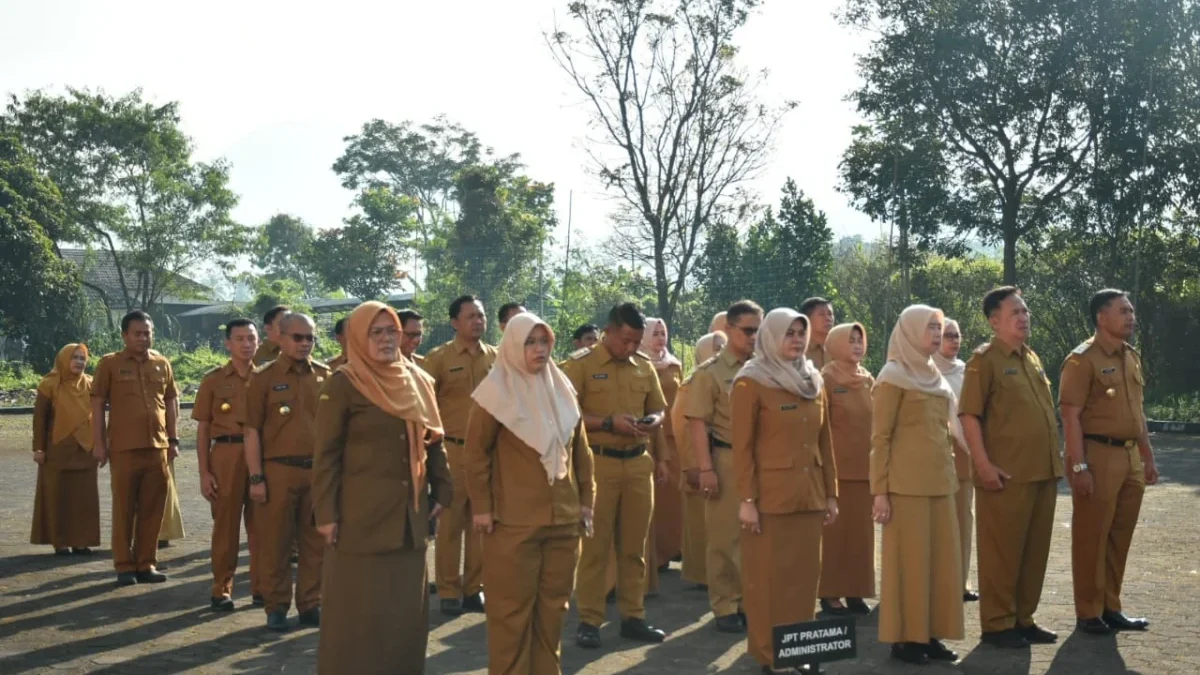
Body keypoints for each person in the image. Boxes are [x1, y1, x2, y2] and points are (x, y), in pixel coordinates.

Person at [313, 301, 451, 674]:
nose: (388, 339)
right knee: (357, 619)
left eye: (392, 331)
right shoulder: (344, 383)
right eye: (377, 332)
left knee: (404, 619)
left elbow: (433, 438)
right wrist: (326, 514)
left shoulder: (417, 379)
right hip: (359, 520)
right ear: (359, 337)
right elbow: (325, 455)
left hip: (410, 520)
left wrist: (442, 488)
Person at [467, 312, 595, 675]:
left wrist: (586, 501)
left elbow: (580, 452)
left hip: (564, 519)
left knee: (554, 610)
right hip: (512, 522)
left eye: (545, 342)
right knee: (510, 612)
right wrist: (482, 508)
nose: (539, 350)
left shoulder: (563, 388)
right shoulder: (495, 391)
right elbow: (476, 455)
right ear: (511, 345)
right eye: (530, 343)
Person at [562, 302, 671, 649]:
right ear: (608, 332)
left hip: (638, 463)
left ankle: (633, 617)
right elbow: (568, 415)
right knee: (595, 548)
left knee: (634, 547)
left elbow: (658, 408)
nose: (629, 348)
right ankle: (590, 620)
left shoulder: (642, 366)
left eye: (635, 342)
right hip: (599, 464)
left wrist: (653, 421)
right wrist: (608, 422)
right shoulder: (579, 365)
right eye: (624, 340)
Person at [959, 286, 1063, 648]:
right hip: (1006, 475)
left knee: (1034, 553)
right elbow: (969, 415)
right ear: (994, 321)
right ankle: (997, 624)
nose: (1024, 317)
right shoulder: (984, 360)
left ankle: (1023, 618)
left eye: (1026, 311)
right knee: (1001, 553)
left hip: (1043, 472)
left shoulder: (1030, 358)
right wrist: (983, 464)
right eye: (1015, 312)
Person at [735, 309, 838, 675]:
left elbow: (825, 442)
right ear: (770, 337)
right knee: (768, 581)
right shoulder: (751, 382)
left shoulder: (813, 379)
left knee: (804, 581)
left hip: (809, 496)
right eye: (789, 333)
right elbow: (742, 448)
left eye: (801, 333)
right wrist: (746, 501)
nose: (797, 339)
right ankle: (772, 657)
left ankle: (799, 651)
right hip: (769, 500)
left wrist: (831, 493)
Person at [1059, 289, 1158, 635]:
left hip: (1130, 456)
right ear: (1102, 317)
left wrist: (1147, 457)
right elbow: (1070, 417)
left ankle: (1111, 606)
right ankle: (1088, 612)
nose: (1131, 316)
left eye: (1131, 310)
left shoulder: (1131, 356)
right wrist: (1078, 467)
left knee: (1119, 535)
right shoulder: (1081, 360)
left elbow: (1138, 413)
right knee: (1091, 535)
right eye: (1123, 311)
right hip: (1097, 455)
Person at [871, 304, 964, 665]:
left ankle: (931, 634)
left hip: (941, 482)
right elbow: (880, 438)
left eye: (940, 328)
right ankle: (906, 638)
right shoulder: (892, 375)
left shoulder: (934, 375)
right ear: (909, 331)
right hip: (905, 487)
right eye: (930, 328)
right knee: (910, 565)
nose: (938, 335)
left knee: (941, 564)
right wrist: (880, 491)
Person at [242, 312, 332, 631]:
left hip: (317, 473)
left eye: (310, 338)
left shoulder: (325, 376)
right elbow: (251, 431)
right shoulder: (263, 379)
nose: (305, 343)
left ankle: (310, 604)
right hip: (277, 472)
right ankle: (276, 606)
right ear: (280, 337)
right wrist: (256, 477)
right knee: (275, 543)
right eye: (298, 337)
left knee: (315, 544)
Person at [685, 300, 763, 633]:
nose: (754, 337)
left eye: (759, 330)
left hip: (761, 461)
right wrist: (706, 469)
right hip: (726, 459)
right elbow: (698, 423)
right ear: (728, 330)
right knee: (724, 537)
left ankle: (750, 601)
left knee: (756, 537)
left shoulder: (764, 368)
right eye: (748, 330)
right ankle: (725, 605)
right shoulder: (709, 373)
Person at [423, 295, 498, 615]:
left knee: (482, 524)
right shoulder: (437, 359)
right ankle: (450, 589)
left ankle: (473, 589)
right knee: (450, 525)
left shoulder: (496, 358)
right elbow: (424, 409)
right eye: (471, 317)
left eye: (481, 316)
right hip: (451, 451)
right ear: (455, 322)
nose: (478, 321)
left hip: (488, 455)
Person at [91, 310, 179, 585]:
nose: (143, 338)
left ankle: (146, 563)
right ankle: (124, 565)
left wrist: (173, 440)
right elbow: (96, 404)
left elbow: (171, 402)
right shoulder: (110, 364)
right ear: (124, 336)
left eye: (148, 332)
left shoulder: (162, 364)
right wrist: (99, 444)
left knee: (153, 509)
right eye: (137, 333)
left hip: (158, 447)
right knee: (124, 508)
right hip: (124, 449)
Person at [193, 319, 263, 610]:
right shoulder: (214, 380)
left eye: (251, 338)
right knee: (225, 525)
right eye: (240, 339)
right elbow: (203, 428)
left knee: (262, 526)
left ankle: (262, 587)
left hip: (259, 456)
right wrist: (204, 471)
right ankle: (222, 587)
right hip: (225, 453)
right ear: (228, 344)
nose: (246, 344)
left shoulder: (267, 378)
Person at [818, 323, 875, 616]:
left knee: (861, 537)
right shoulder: (825, 378)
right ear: (836, 343)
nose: (856, 345)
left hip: (865, 470)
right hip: (837, 470)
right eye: (850, 340)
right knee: (835, 537)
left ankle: (856, 591)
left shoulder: (868, 378)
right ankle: (829, 593)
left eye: (859, 340)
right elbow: (819, 425)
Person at [30, 343, 100, 555]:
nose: (79, 362)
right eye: (75, 357)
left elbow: (98, 418)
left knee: (84, 498)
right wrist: (38, 449)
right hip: (57, 451)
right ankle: (59, 541)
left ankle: (81, 540)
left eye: (82, 358)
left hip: (85, 450)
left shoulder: (90, 384)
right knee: (57, 496)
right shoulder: (49, 384)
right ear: (63, 359)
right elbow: (40, 419)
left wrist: (101, 445)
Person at [672, 331, 726, 589]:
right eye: (716, 347)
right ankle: (702, 576)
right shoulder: (692, 382)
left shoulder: (725, 379)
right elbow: (682, 427)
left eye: (723, 346)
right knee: (699, 525)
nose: (721, 351)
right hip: (698, 465)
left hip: (721, 462)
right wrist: (692, 465)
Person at [934, 318, 977, 602]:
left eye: (957, 335)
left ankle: (960, 582)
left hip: (965, 454)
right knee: (938, 522)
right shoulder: (925, 371)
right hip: (935, 455)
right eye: (948, 335)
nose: (953, 340)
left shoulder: (967, 372)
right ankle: (937, 581)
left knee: (963, 518)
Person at [643, 317, 684, 591]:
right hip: (649, 438)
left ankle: (670, 551)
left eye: (663, 332)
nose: (660, 338)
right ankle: (652, 557)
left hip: (674, 437)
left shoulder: (674, 364)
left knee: (672, 499)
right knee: (652, 500)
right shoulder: (638, 363)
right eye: (655, 333)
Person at [799, 297, 836, 370]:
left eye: (830, 314)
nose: (828, 318)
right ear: (807, 319)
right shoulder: (799, 350)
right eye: (822, 314)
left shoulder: (840, 349)